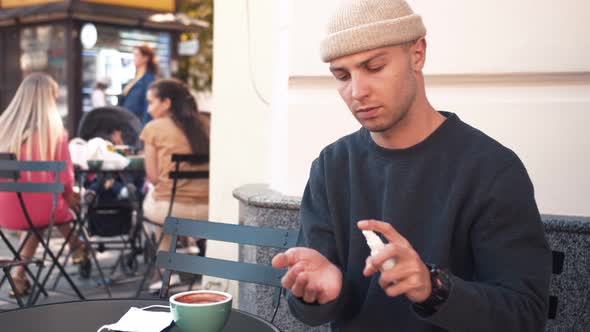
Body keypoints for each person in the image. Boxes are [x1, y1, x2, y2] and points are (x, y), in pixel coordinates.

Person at [271, 1, 551, 331]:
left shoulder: (491, 170)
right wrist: (317, 293)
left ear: (417, 54)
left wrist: (433, 289)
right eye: (342, 76)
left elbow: (524, 315)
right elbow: (309, 309)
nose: (357, 92)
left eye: (374, 67)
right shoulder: (332, 166)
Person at [0, 73, 87, 297]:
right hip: (43, 209)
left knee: (38, 207)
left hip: (5, 210)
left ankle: (19, 277)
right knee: (51, 205)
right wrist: (71, 197)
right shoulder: (56, 133)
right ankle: (77, 246)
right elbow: (66, 179)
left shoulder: (3, 128)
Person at [139, 78, 209, 288]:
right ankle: (189, 246)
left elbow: (152, 177)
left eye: (151, 102)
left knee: (153, 203)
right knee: (164, 202)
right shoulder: (207, 123)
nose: (149, 109)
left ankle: (166, 274)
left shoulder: (154, 128)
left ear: (166, 103)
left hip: (172, 210)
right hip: (210, 210)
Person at [120, 45, 158, 127]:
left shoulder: (149, 79)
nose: (134, 58)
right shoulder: (135, 78)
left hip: (136, 123)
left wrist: (143, 128)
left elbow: (148, 105)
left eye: (136, 55)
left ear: (145, 58)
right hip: (126, 122)